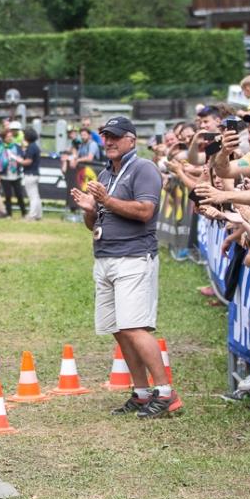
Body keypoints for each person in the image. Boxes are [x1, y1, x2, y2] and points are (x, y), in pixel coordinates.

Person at [69, 116, 178, 418]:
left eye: (115, 136)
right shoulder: (105, 174)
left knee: (134, 326)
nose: (109, 141)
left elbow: (145, 211)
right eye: (105, 136)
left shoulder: (144, 168)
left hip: (134, 256)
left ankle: (165, 392)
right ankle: (142, 392)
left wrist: (107, 199)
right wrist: (91, 210)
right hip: (105, 256)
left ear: (132, 139)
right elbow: (95, 222)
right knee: (118, 329)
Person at [0, 122, 25, 217]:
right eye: (8, 136)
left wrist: (16, 159)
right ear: (4, 138)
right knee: (8, 195)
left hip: (16, 174)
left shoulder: (16, 147)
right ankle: (9, 214)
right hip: (5, 175)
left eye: (11, 136)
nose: (10, 138)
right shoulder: (0, 148)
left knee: (19, 195)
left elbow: (21, 157)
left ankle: (24, 213)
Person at [19, 128, 43, 221]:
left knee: (32, 196)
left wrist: (19, 161)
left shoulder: (31, 147)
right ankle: (38, 214)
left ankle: (32, 215)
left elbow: (28, 161)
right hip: (35, 173)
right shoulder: (34, 146)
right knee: (36, 195)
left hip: (30, 174)